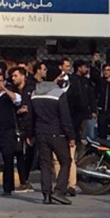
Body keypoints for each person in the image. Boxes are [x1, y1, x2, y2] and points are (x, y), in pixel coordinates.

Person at [29, 67, 75, 205]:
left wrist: (30, 134)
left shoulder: (34, 93)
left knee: (45, 164)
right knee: (66, 161)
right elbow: (65, 118)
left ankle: (46, 195)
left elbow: (30, 117)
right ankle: (59, 191)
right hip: (57, 133)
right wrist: (70, 136)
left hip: (40, 133)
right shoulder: (58, 94)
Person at [9, 66, 36, 193]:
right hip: (16, 126)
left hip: (30, 126)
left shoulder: (31, 89)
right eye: (12, 76)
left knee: (30, 154)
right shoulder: (11, 90)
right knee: (19, 153)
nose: (13, 78)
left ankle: (26, 178)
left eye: (16, 76)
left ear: (23, 76)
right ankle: (23, 181)